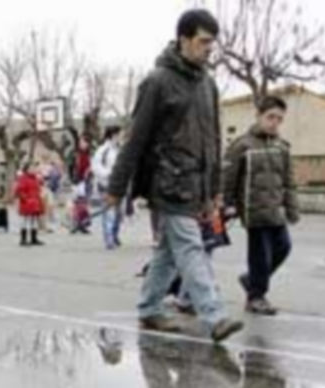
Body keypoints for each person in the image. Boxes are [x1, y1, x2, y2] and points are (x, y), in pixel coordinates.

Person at [106, 9, 243, 342]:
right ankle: (214, 316)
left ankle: (150, 308)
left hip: (196, 184)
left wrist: (215, 191)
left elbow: (212, 142)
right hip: (167, 183)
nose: (210, 48)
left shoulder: (208, 85)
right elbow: (135, 139)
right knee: (190, 246)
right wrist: (116, 187)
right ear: (184, 39)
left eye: (213, 42)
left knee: (168, 252)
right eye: (203, 41)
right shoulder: (157, 82)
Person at [224, 96, 299, 316]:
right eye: (270, 117)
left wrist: (292, 209)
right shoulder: (242, 145)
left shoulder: (282, 147)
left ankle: (251, 280)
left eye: (279, 119)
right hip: (253, 211)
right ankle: (256, 297)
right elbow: (227, 178)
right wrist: (226, 204)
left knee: (284, 247)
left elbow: (289, 181)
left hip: (276, 211)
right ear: (258, 116)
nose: (274, 122)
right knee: (260, 256)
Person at [93, 126, 123, 250]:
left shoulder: (120, 150)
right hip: (106, 185)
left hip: (119, 185)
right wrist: (108, 173)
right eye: (120, 134)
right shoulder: (102, 150)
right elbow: (96, 167)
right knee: (109, 213)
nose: (121, 137)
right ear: (113, 135)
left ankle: (115, 234)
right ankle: (109, 239)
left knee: (119, 214)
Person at [14, 162, 45, 246]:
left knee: (34, 220)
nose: (33, 170)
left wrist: (39, 201)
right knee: (25, 220)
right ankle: (23, 239)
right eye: (31, 168)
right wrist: (26, 199)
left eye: (34, 168)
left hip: (35, 202)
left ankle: (33, 238)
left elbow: (38, 190)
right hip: (27, 202)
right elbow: (19, 191)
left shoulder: (36, 179)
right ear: (26, 169)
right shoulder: (23, 178)